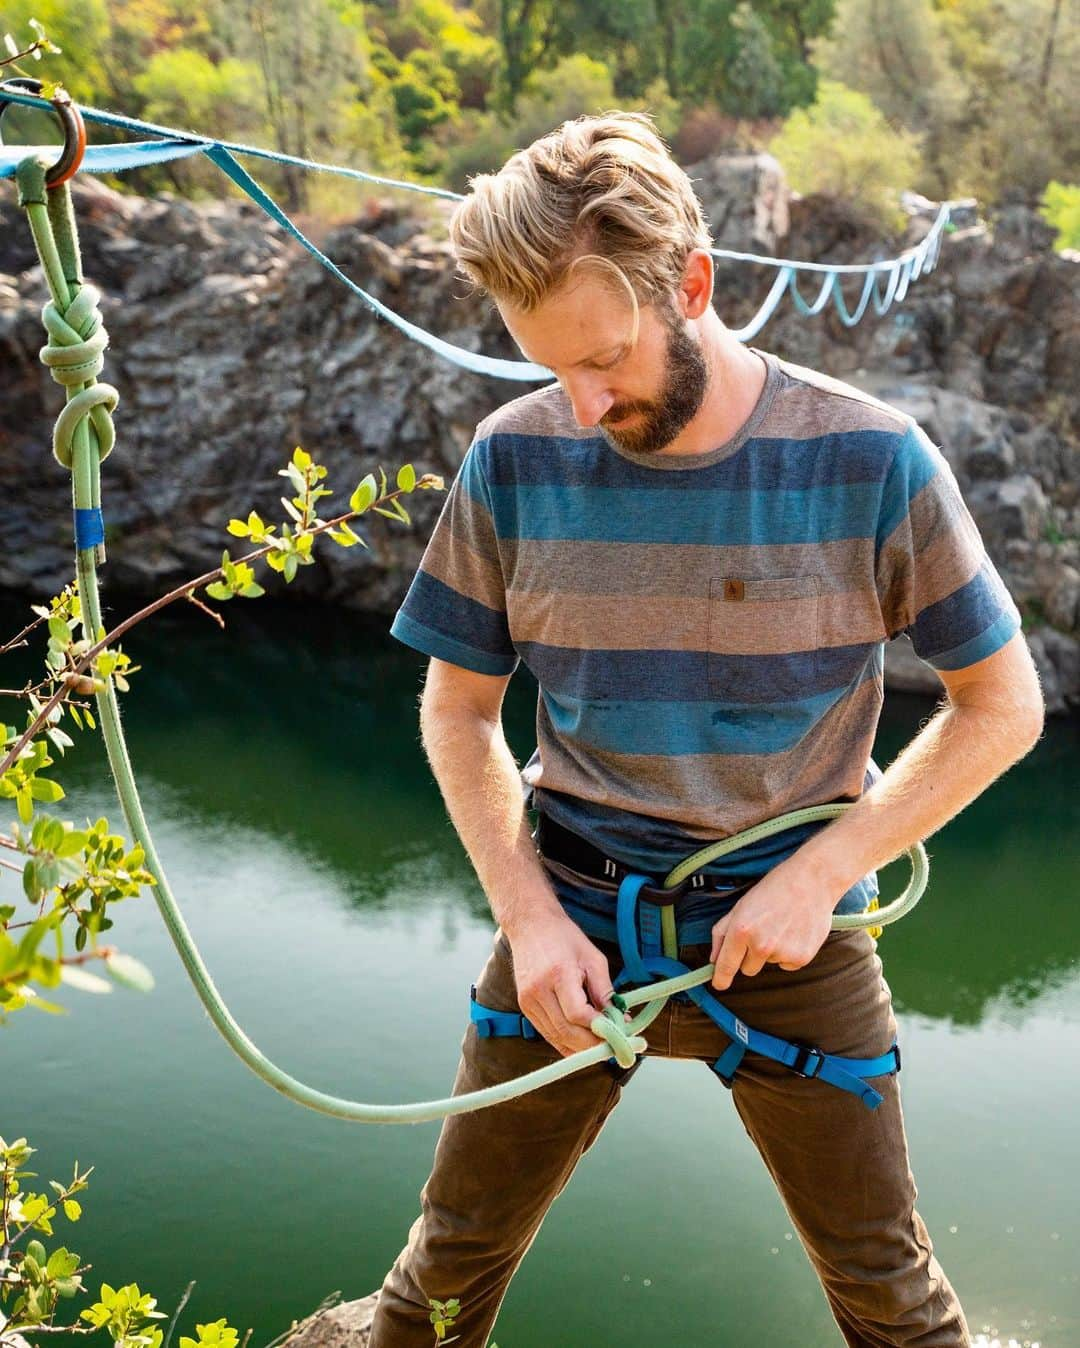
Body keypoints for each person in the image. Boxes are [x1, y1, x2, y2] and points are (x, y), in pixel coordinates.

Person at [370, 112, 1044, 1348]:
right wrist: (525, 915)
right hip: (570, 911)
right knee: (440, 1279)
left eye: (606, 359)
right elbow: (458, 709)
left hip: (795, 933)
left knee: (892, 1299)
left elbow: (1003, 704)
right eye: (546, 367)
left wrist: (823, 874)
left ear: (693, 284)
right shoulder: (511, 459)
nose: (577, 406)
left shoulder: (871, 459)